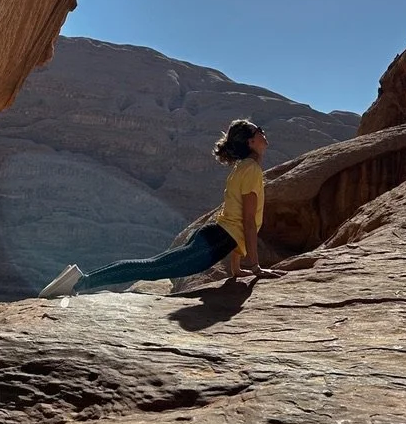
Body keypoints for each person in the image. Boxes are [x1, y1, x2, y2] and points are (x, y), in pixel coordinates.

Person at [38, 119, 283, 299]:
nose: (264, 133)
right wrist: (254, 265)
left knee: (152, 264)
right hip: (214, 243)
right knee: (151, 267)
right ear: (251, 141)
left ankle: (78, 279)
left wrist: (236, 269)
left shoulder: (242, 168)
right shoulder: (251, 170)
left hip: (213, 236)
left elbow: (235, 216)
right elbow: (247, 222)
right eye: (260, 130)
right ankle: (80, 282)